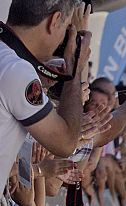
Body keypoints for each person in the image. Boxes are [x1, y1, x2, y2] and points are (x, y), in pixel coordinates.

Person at [0, 0, 91, 186]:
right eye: (66, 28)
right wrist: (75, 67)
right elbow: (65, 143)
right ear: (55, 21)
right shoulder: (16, 70)